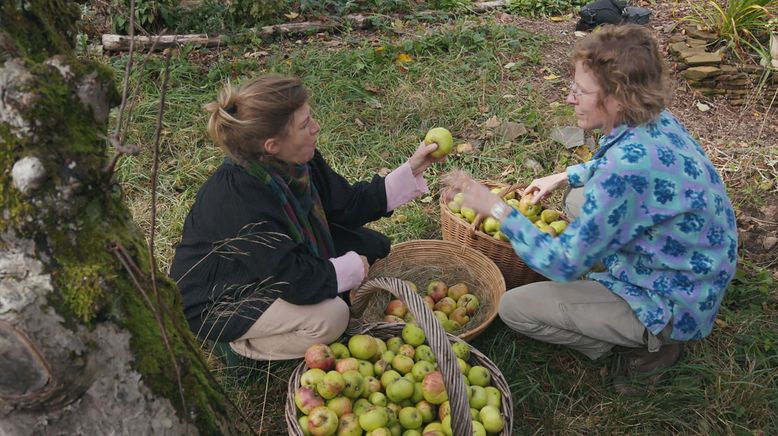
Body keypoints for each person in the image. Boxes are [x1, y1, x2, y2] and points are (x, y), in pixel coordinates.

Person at [443, 24, 737, 392]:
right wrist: (565, 174)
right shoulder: (653, 118)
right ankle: (621, 310)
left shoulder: (624, 173)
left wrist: (498, 210)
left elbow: (563, 264)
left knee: (515, 308)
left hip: (672, 299)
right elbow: (625, 161)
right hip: (699, 266)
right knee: (577, 197)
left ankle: (650, 342)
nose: (570, 99)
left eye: (581, 91)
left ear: (618, 98)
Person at [170, 75, 443, 360]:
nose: (316, 127)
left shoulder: (298, 162)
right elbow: (290, 278)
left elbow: (347, 204)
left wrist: (411, 168)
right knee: (332, 317)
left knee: (371, 247)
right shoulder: (237, 198)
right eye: (305, 125)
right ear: (272, 145)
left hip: (270, 264)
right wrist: (344, 271)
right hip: (223, 296)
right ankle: (240, 348)